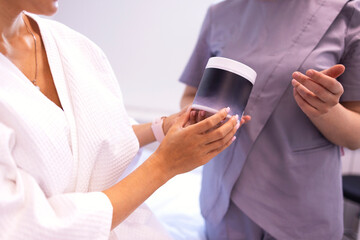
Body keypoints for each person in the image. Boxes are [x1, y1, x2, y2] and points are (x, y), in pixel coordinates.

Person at [0, 0, 251, 239]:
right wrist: (165, 165)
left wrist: (163, 128)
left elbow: (97, 139)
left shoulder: (75, 47)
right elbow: (24, 226)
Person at [179, 0, 360, 239]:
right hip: (224, 200)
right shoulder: (220, 14)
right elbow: (190, 98)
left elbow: (355, 136)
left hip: (301, 206)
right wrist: (203, 117)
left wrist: (326, 110)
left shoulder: (348, 13)